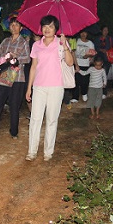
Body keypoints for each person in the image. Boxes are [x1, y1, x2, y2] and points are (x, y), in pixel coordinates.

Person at [25, 15, 73, 162]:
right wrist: (29, 88)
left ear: (56, 29)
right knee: (35, 119)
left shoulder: (61, 43)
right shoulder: (36, 45)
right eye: (45, 26)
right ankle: (32, 151)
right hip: (39, 86)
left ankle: (48, 152)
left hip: (56, 87)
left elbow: (70, 63)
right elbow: (33, 67)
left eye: (51, 26)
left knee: (51, 120)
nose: (47, 29)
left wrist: (65, 46)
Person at [0, 15, 30, 139]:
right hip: (4, 75)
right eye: (12, 24)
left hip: (17, 77)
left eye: (16, 25)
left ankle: (14, 132)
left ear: (21, 28)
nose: (13, 27)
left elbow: (27, 59)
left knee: (14, 105)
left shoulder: (24, 42)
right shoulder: (5, 41)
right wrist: (5, 56)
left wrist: (15, 57)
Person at [79, 54, 107, 119]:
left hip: (99, 88)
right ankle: (92, 113)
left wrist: (104, 83)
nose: (98, 67)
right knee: (91, 100)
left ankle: (97, 113)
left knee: (98, 100)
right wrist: (79, 70)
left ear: (102, 64)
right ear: (94, 63)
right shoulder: (91, 69)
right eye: (96, 65)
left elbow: (104, 77)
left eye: (99, 65)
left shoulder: (102, 70)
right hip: (92, 87)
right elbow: (85, 73)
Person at [73, 29, 95, 102]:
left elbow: (93, 54)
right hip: (77, 63)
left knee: (85, 81)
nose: (83, 34)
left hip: (85, 64)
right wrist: (75, 64)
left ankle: (84, 93)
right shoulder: (76, 41)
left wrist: (89, 56)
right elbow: (72, 52)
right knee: (76, 81)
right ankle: (75, 97)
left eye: (85, 32)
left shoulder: (90, 43)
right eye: (82, 32)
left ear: (87, 34)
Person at [95, 25, 113, 98]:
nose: (106, 32)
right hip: (99, 59)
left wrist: (112, 52)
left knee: (104, 75)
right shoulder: (98, 39)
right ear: (101, 31)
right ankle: (98, 91)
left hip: (107, 59)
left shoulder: (110, 39)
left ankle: (104, 92)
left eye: (107, 30)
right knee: (98, 75)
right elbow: (95, 47)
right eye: (104, 30)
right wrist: (101, 50)